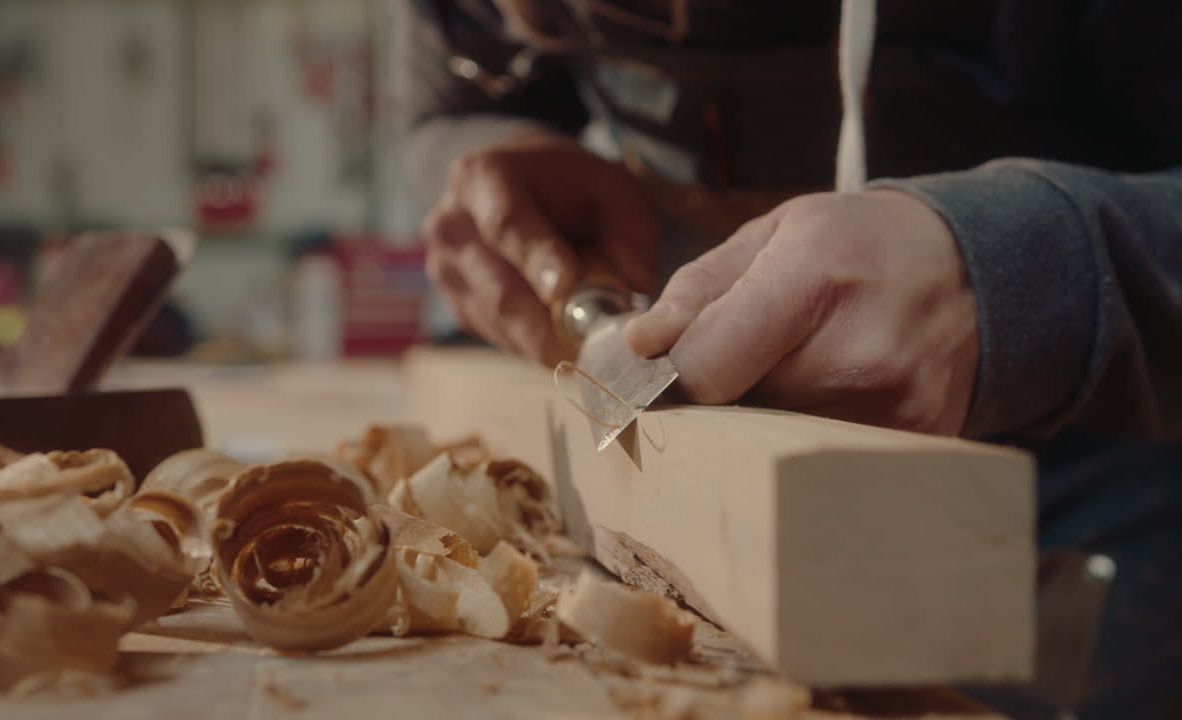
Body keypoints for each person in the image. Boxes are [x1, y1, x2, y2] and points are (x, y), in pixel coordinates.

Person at [394, 2, 1182, 718]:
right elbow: (454, 105)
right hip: (723, 522)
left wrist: (1023, 272)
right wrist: (494, 150)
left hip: (1090, 485)